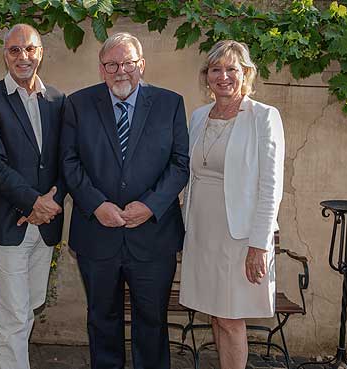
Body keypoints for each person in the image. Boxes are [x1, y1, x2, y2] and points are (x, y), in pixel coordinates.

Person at [60, 32, 190, 369]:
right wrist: (96, 204)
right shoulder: (78, 104)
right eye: (112, 64)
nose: (121, 71)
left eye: (128, 63)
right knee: (102, 320)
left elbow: (179, 164)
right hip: (97, 234)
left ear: (141, 65)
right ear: (101, 69)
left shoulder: (169, 103)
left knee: (152, 323)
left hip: (153, 238)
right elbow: (69, 162)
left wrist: (150, 205)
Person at [179, 39, 285, 369]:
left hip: (238, 236)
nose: (223, 76)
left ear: (246, 74)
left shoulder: (263, 117)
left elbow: (271, 186)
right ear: (206, 76)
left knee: (231, 317)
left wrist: (259, 244)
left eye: (231, 69)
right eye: (215, 70)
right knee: (215, 312)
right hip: (201, 231)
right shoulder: (198, 116)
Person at [0, 24, 66, 369]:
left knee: (29, 305)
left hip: (45, 225)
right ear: (4, 55)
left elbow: (65, 160)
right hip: (7, 223)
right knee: (13, 314)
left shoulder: (57, 99)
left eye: (29, 49)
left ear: (40, 52)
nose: (22, 57)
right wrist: (32, 203)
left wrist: (49, 205)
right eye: (14, 50)